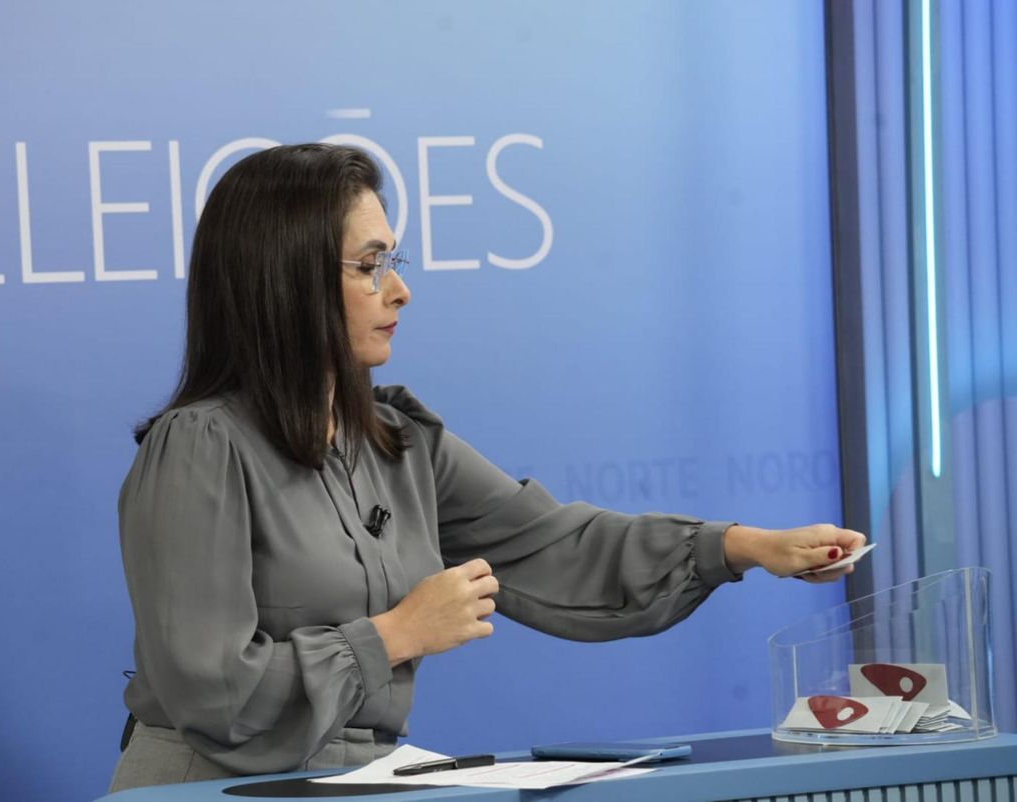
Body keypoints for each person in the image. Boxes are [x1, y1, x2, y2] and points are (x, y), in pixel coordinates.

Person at [108, 143, 866, 791]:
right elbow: (212, 688)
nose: (399, 289)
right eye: (370, 266)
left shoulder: (397, 441)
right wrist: (398, 634)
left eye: (392, 262)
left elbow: (556, 549)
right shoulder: (202, 448)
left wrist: (742, 547)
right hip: (211, 789)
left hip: (349, 783)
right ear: (287, 280)